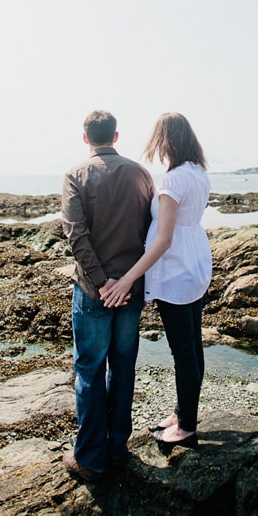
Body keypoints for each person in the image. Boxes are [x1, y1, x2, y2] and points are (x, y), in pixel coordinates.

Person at [100, 112, 211, 455]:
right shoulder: (198, 174)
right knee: (193, 345)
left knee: (184, 353)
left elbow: (162, 240)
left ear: (167, 141)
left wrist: (129, 278)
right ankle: (182, 413)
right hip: (195, 264)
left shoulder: (173, 181)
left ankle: (187, 427)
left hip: (176, 272)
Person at [61, 110, 155, 481]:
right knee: (123, 367)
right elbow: (152, 231)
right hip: (131, 289)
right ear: (115, 136)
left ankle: (90, 458)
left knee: (89, 370)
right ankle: (117, 449)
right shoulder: (141, 174)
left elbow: (76, 236)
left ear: (86, 138)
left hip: (93, 292)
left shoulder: (75, 175)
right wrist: (122, 283)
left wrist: (101, 283)